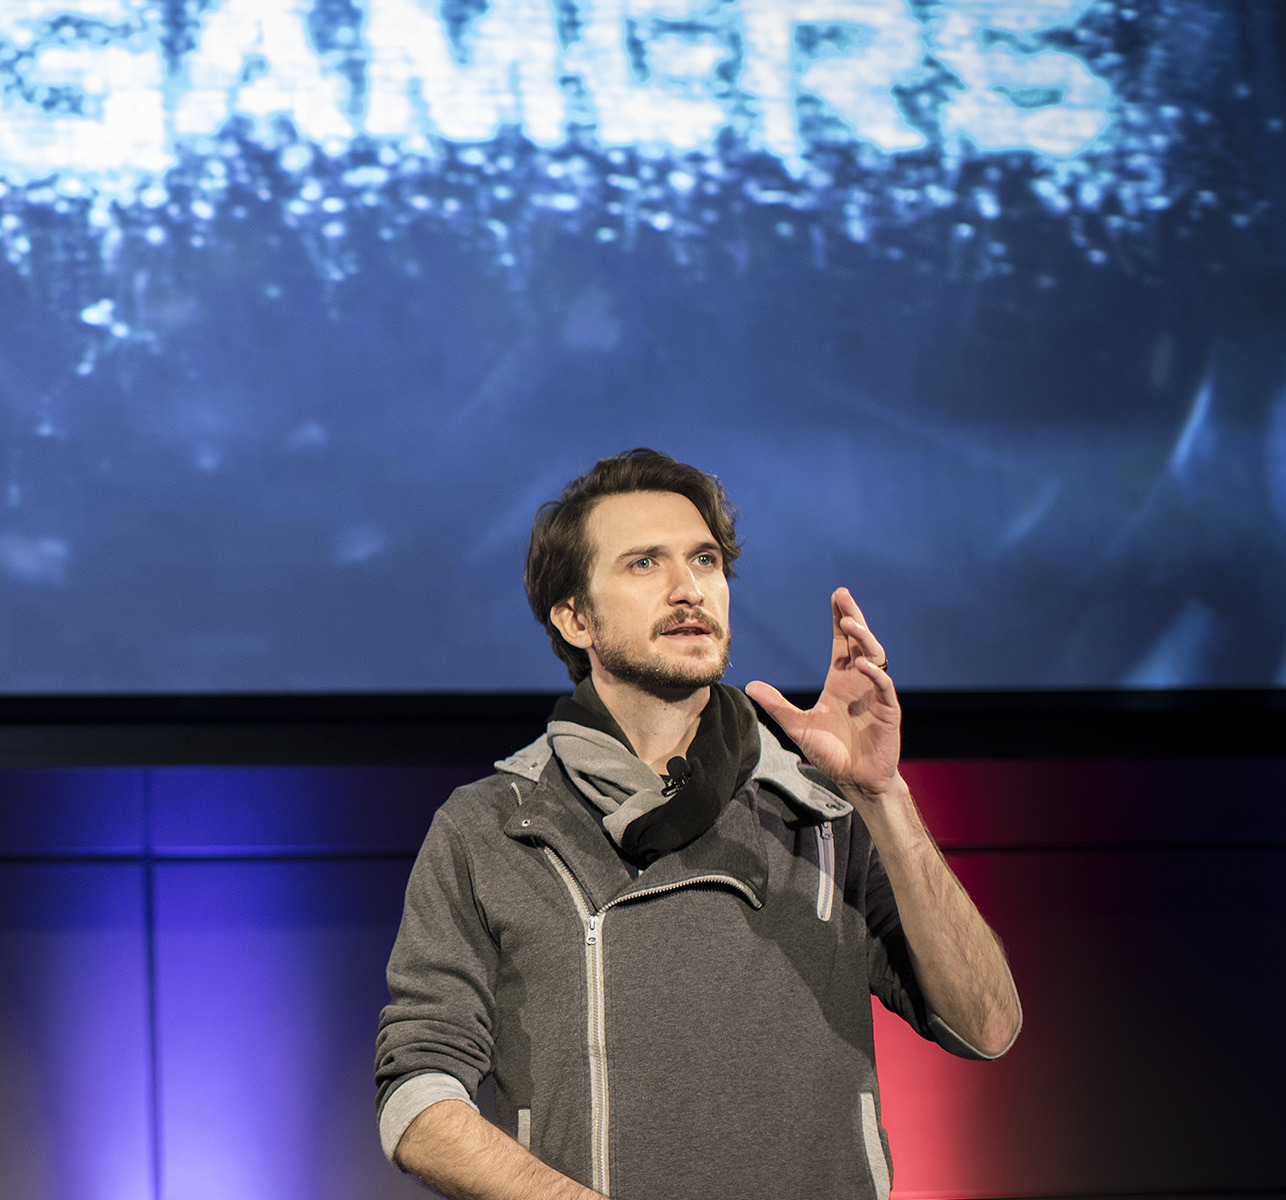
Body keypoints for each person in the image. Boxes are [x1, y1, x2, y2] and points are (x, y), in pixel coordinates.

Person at [373, 448, 1021, 1200]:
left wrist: (883, 794)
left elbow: (988, 1024)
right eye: (645, 564)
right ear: (575, 618)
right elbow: (417, 1098)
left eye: (705, 561)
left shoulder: (823, 807)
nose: (689, 590)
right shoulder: (491, 826)